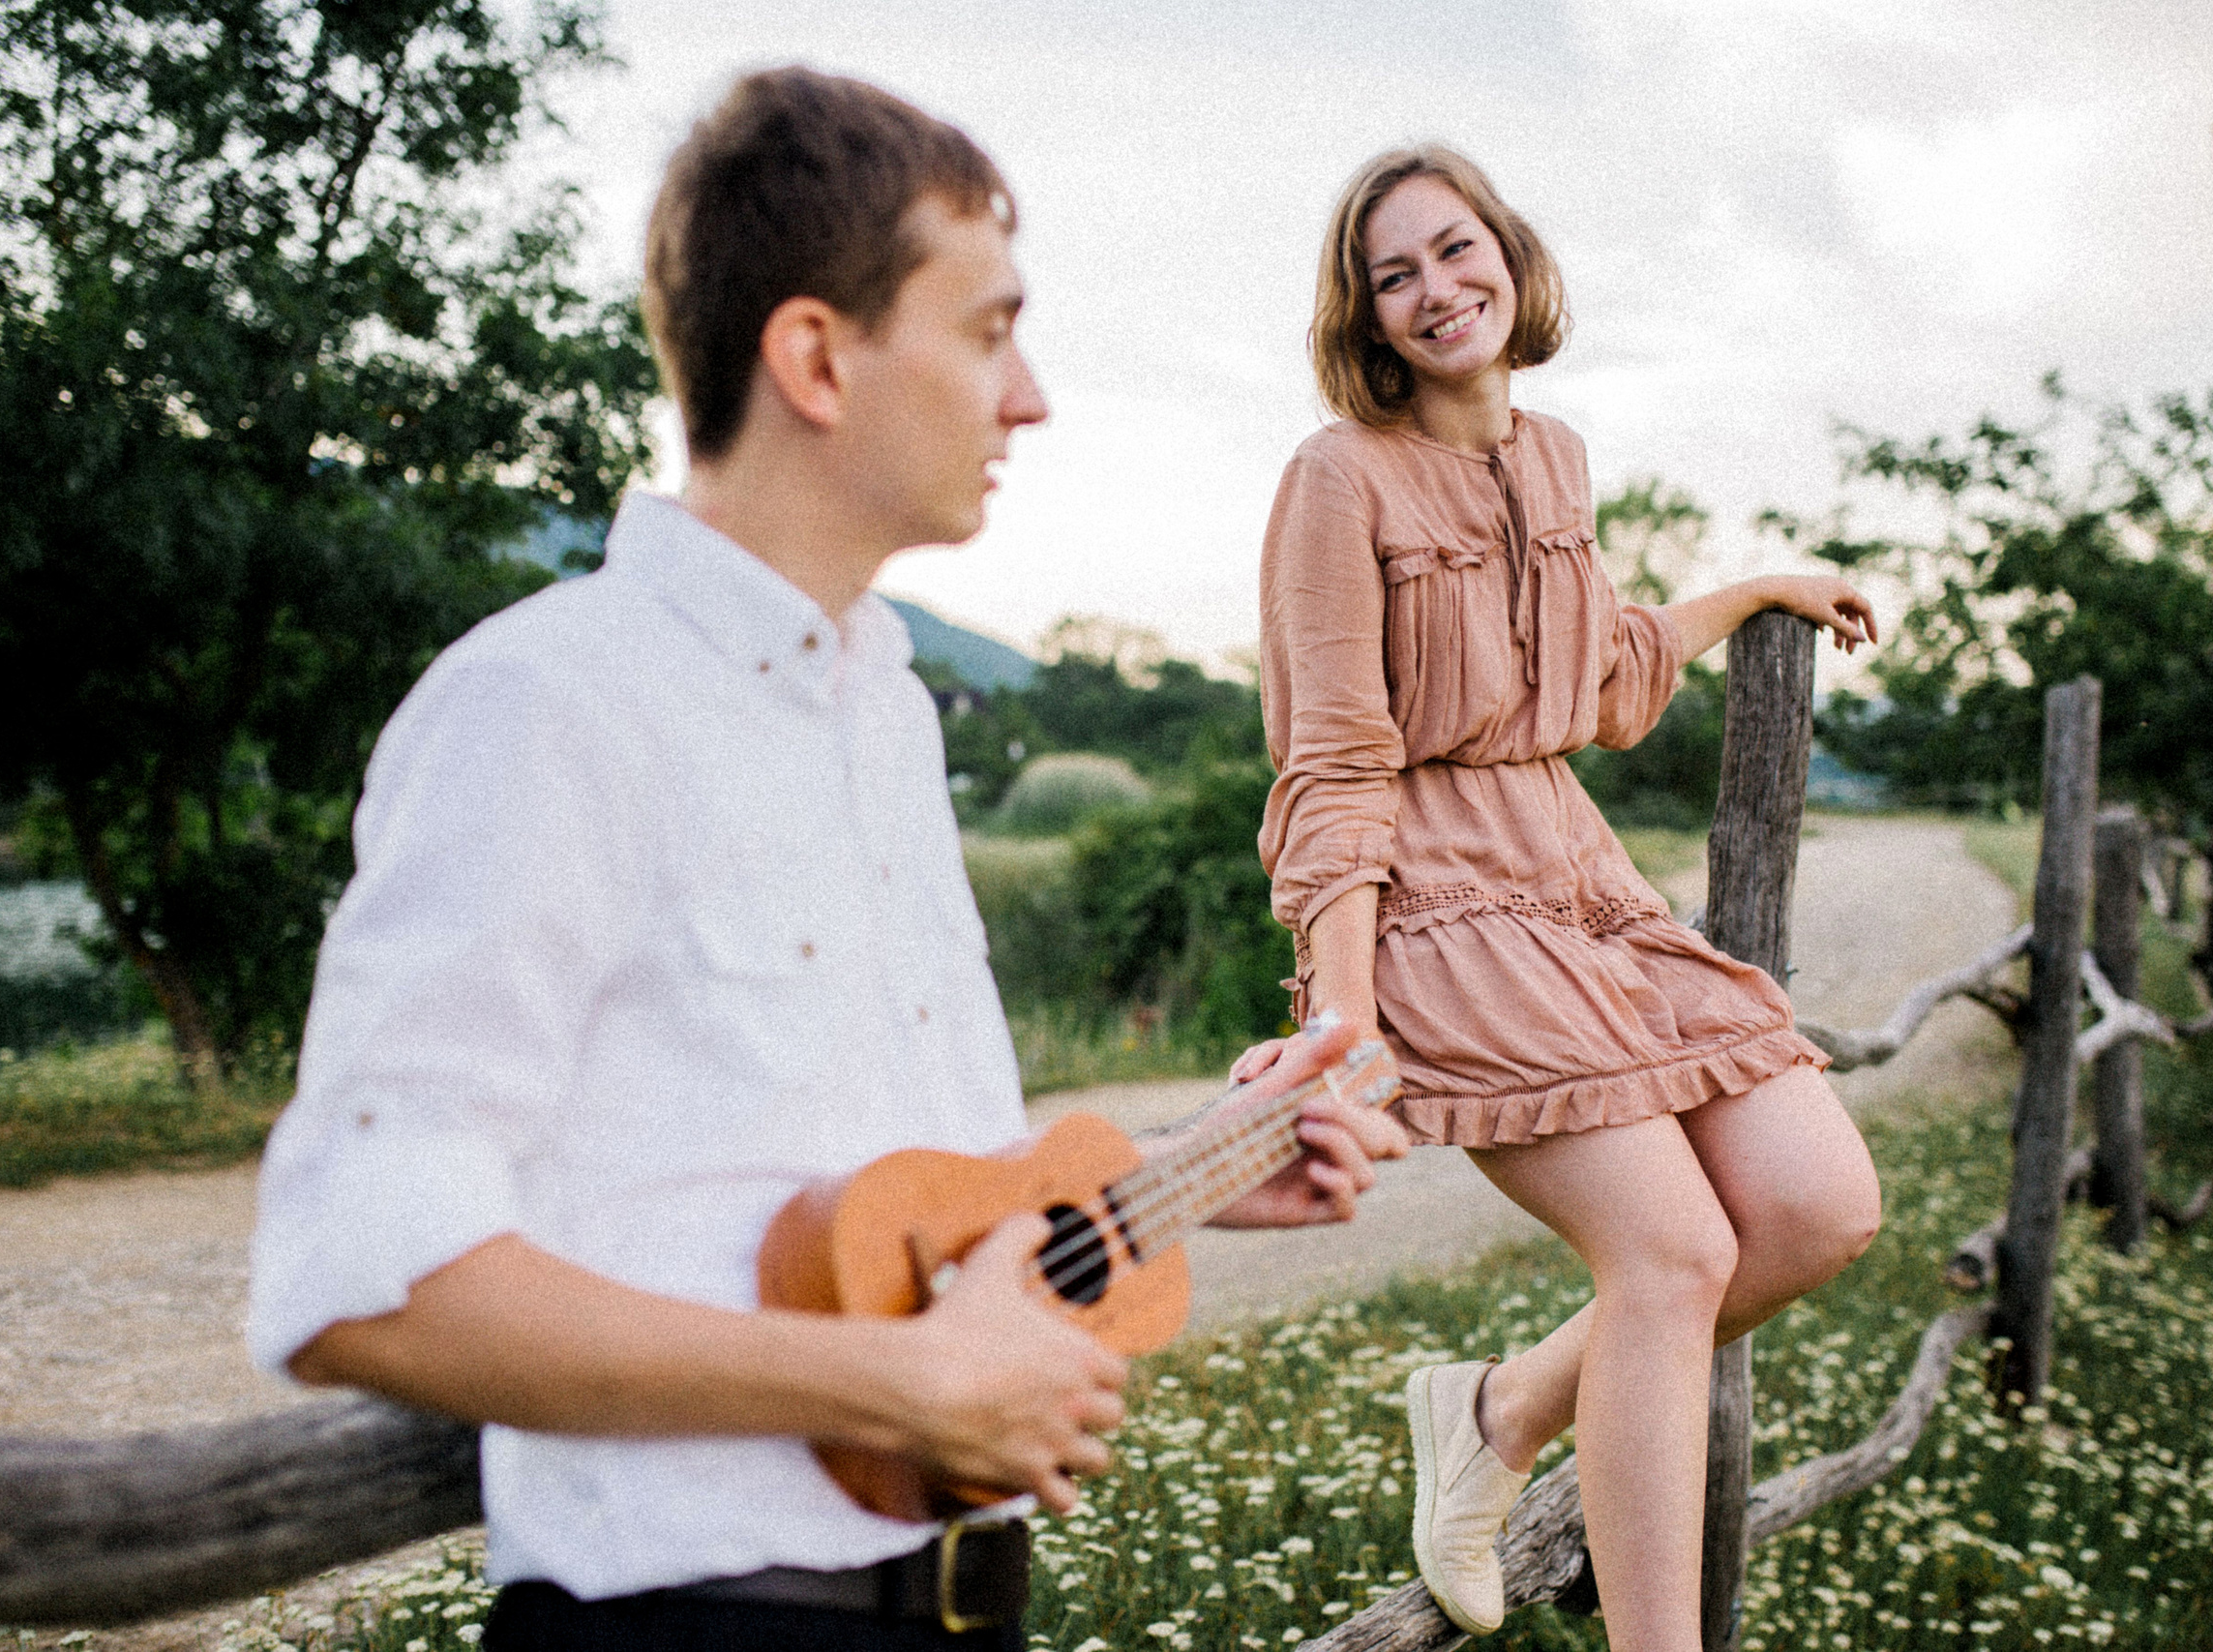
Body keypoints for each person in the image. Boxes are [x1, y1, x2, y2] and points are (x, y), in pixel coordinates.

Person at [246, 68, 1408, 1652]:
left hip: (955, 1601)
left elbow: (907, 1211)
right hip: (694, 1624)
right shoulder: (545, 704)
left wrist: (1172, 1186)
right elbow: (359, 1277)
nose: (1032, 397)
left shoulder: (886, 711)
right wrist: (901, 1384)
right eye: (988, 329)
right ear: (813, 355)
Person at [1233, 145, 1887, 1651]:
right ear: (1367, 314)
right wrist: (1344, 1008)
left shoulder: (1561, 455)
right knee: (1671, 1253)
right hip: (1437, 905)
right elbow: (1332, 759)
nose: (1435, 291)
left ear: (1512, 260)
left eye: (1455, 251)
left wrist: (1756, 588)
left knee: (1815, 1206)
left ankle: (1499, 1406)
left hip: (1572, 872)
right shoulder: (1336, 477)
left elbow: (1595, 679)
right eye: (1393, 274)